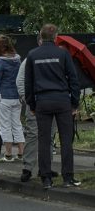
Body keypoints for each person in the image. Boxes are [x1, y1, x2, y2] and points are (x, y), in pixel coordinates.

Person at [25, 24, 81, 189]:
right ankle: (68, 178)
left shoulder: (32, 55)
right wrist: (74, 103)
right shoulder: (63, 53)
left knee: (44, 141)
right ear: (56, 37)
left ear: (41, 37)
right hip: (62, 100)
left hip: (42, 101)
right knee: (66, 141)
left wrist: (32, 104)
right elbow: (73, 79)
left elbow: (29, 84)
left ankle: (46, 178)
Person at [0, 36, 25, 163]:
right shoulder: (18, 60)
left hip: (4, 98)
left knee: (5, 126)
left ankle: (9, 154)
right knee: (17, 124)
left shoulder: (0, 62)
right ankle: (21, 153)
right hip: (17, 97)